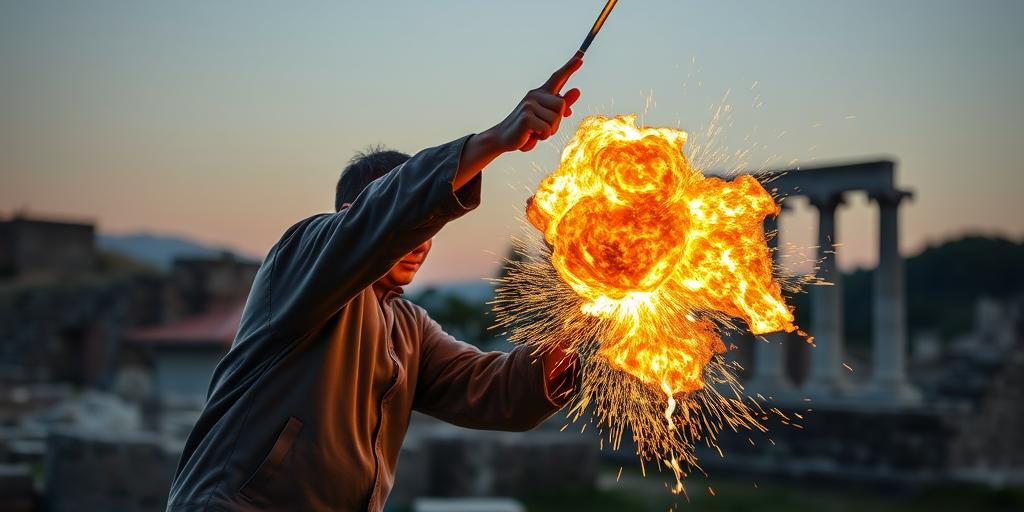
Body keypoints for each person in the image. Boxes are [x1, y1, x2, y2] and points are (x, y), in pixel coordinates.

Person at [166, 55, 584, 512]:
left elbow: (499, 392)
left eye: (430, 229)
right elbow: (389, 213)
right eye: (415, 224)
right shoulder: (300, 258)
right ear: (349, 217)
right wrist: (496, 140)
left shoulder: (410, 329)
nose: (422, 242)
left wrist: (585, 304)